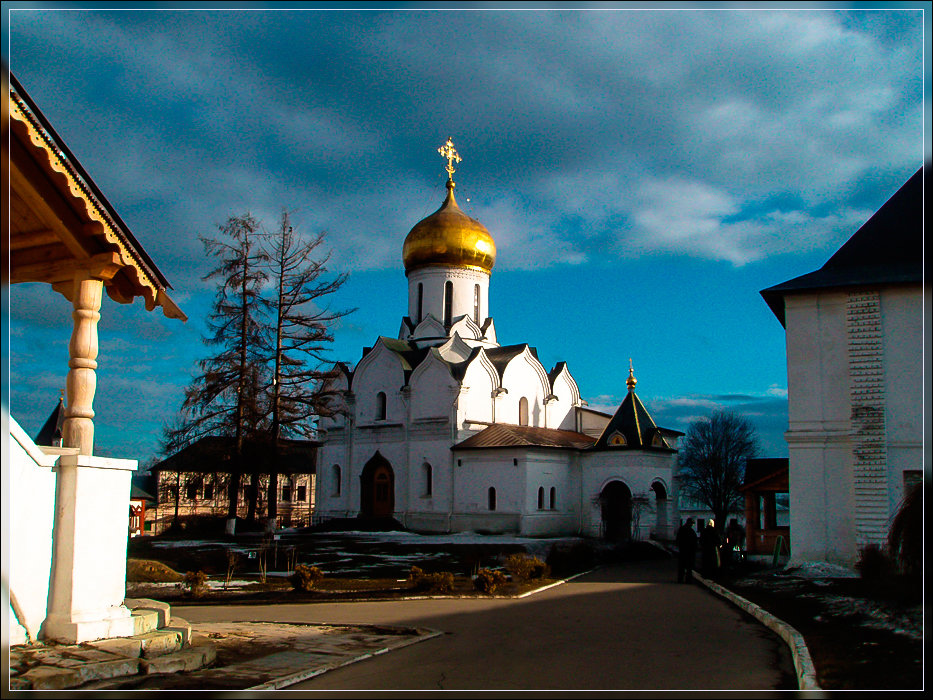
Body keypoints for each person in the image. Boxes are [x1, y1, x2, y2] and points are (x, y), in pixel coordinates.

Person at [676, 518, 698, 583]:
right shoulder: (690, 531)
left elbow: (678, 540)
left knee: (682, 567)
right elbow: (694, 542)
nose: (692, 525)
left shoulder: (682, 529)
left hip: (683, 551)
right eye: (692, 523)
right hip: (689, 552)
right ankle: (688, 580)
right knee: (689, 567)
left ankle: (680, 579)